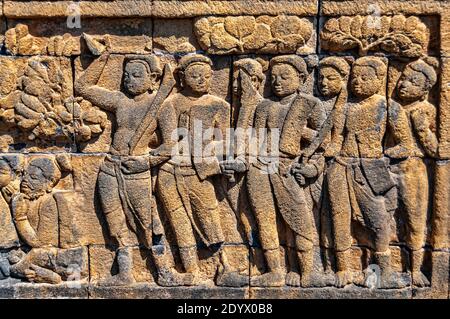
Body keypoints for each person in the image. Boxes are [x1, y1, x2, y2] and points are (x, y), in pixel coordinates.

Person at [75, 52, 186, 286]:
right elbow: (82, 86)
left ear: (154, 79)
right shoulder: (119, 101)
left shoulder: (161, 107)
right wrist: (103, 56)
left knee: (147, 222)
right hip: (110, 168)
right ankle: (125, 273)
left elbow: (169, 146)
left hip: (137, 170)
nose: (129, 80)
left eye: (136, 75)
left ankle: (163, 270)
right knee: (114, 223)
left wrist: (145, 162)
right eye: (126, 75)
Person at [156, 54, 248, 287]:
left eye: (207, 76)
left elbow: (227, 143)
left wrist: (213, 155)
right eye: (195, 75)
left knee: (210, 220)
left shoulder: (219, 105)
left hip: (200, 173)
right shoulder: (170, 105)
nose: (201, 80)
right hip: (171, 173)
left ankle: (222, 266)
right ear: (181, 78)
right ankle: (191, 270)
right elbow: (170, 144)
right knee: (180, 223)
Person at [327, 56, 404, 288]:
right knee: (339, 219)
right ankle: (343, 269)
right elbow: (336, 138)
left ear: (379, 79)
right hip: (341, 167)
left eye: (364, 78)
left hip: (373, 167)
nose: (357, 82)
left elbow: (405, 144)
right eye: (354, 78)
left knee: (380, 222)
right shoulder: (345, 107)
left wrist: (384, 155)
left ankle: (382, 273)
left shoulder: (388, 106)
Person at [386, 58, 439, 287]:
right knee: (383, 219)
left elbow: (435, 150)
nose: (403, 84)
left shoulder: (426, 110)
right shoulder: (389, 106)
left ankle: (415, 268)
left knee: (415, 219)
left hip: (414, 169)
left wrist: (422, 130)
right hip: (387, 167)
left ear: (425, 90)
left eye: (413, 82)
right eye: (403, 78)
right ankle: (385, 266)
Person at [9, 156, 85, 284]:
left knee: (13, 270)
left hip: (57, 256)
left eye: (33, 178)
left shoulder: (48, 202)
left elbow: (41, 243)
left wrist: (20, 217)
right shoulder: (27, 199)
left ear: (48, 184)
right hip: (42, 252)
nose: (25, 181)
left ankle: (52, 277)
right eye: (25, 176)